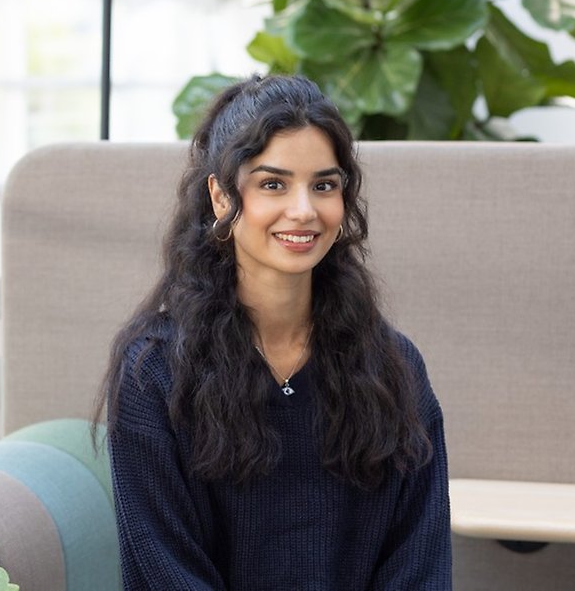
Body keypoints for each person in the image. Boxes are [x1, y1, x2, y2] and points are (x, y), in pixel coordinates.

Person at [96, 74, 451, 590]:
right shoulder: (154, 373)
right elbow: (164, 570)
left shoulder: (395, 367)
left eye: (324, 185)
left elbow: (420, 565)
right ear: (221, 197)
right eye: (273, 184)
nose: (304, 210)